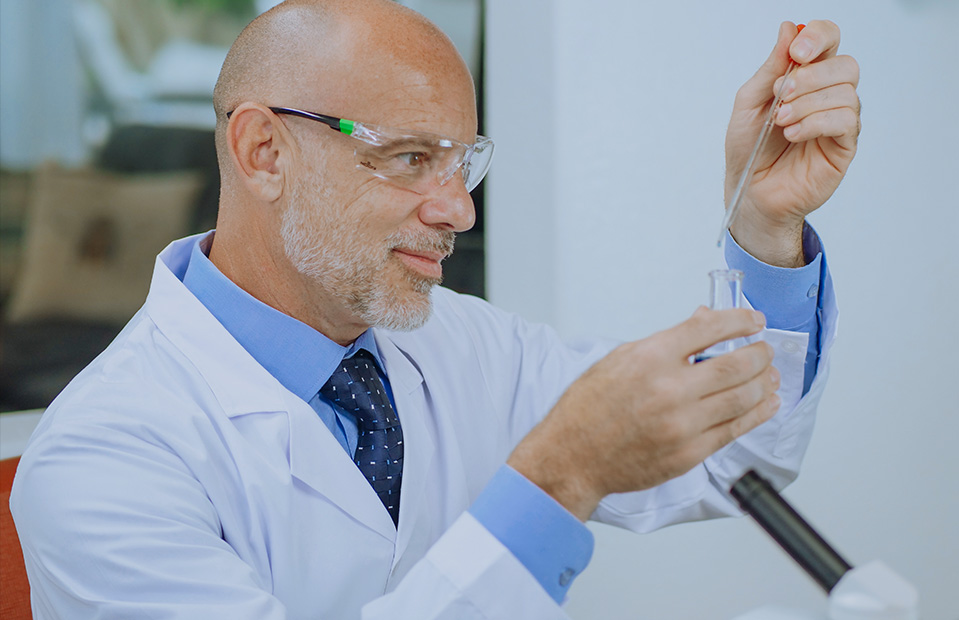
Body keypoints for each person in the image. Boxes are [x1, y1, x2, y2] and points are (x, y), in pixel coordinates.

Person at [10, 1, 861, 618]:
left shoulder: (463, 342)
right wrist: (558, 477)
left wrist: (764, 224)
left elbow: (727, 456)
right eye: (411, 158)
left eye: (462, 165)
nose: (458, 211)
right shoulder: (101, 461)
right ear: (263, 151)